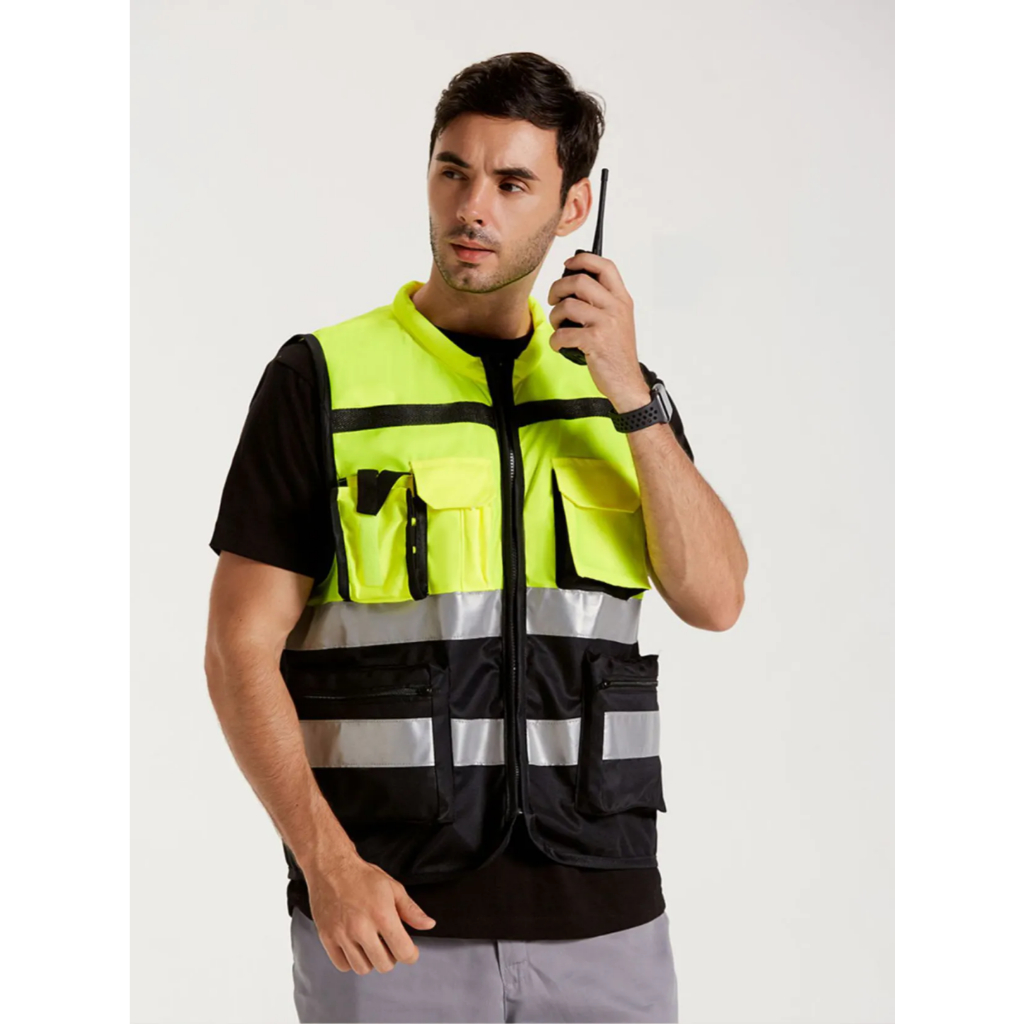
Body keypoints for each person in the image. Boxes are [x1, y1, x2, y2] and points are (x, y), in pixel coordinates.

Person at [205, 51, 748, 1024]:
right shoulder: (323, 379)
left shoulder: (621, 394)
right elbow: (237, 648)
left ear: (573, 207)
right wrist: (326, 864)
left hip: (607, 922)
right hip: (392, 924)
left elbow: (715, 598)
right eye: (452, 171)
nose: (472, 207)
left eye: (511, 183)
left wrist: (628, 393)